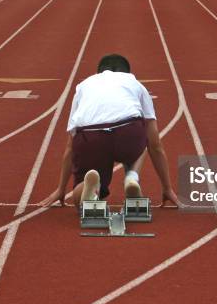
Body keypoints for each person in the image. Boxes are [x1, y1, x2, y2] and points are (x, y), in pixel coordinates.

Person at [39, 54, 180, 209]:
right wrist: (167, 188)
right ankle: (131, 178)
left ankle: (90, 188)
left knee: (81, 193)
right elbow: (155, 145)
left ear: (98, 73)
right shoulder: (136, 85)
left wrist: (61, 189)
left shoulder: (84, 86)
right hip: (128, 131)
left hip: (91, 136)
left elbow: (70, 146)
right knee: (144, 137)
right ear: (128, 73)